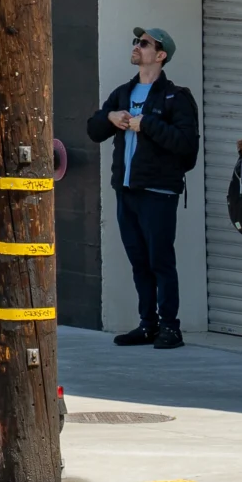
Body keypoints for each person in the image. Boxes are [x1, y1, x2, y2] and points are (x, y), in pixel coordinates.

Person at [84, 25, 200, 349]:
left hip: (159, 193)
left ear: (160, 56)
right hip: (127, 191)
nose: (137, 46)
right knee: (139, 261)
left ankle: (170, 328)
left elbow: (187, 146)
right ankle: (147, 324)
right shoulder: (124, 93)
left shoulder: (177, 98)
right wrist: (110, 118)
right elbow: (93, 130)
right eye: (136, 41)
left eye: (144, 43)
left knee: (161, 260)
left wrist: (146, 124)